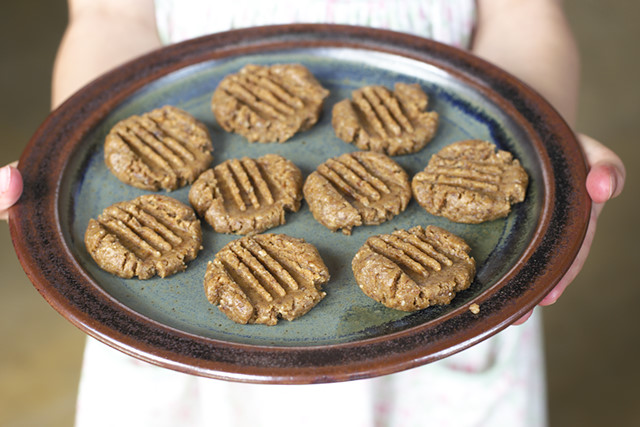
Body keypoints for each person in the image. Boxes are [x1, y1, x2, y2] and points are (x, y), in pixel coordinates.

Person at [0, 0, 627, 426]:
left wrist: (536, 136)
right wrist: (75, 153)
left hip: (442, 341)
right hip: (175, 346)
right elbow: (110, 16)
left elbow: (527, 20)